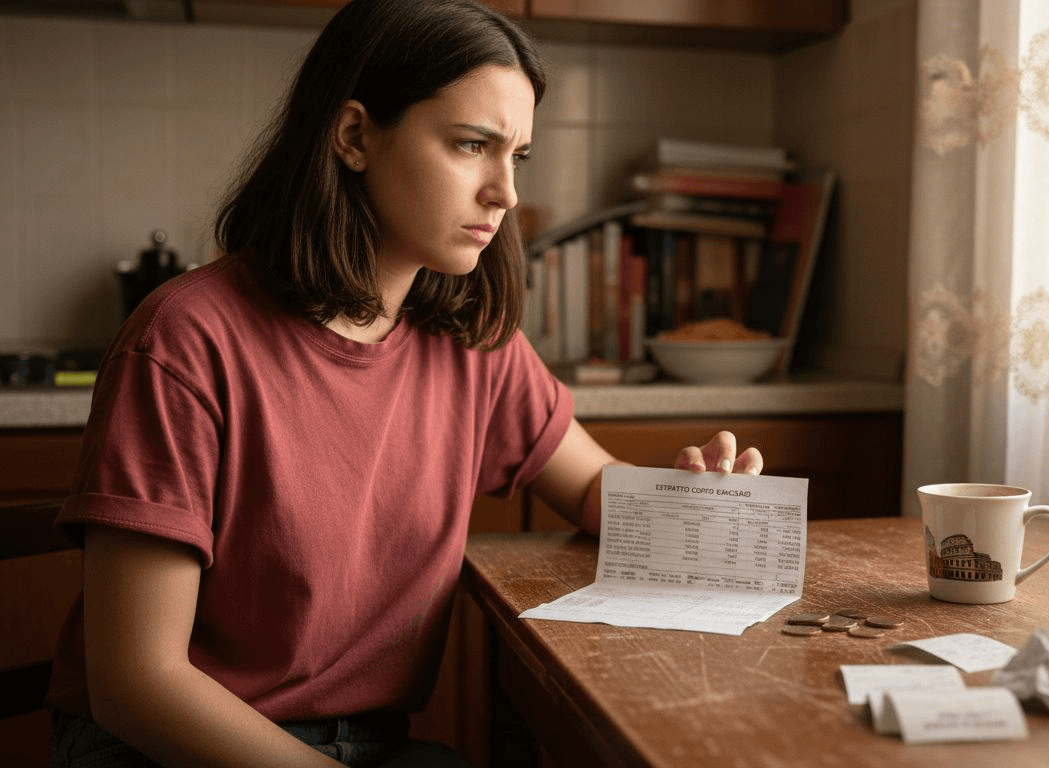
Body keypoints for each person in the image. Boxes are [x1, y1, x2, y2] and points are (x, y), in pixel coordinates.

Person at [45, 1, 764, 765]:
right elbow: (136, 684)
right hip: (173, 747)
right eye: (471, 145)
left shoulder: (470, 339)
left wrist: (695, 495)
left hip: (373, 744)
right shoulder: (188, 339)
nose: (505, 194)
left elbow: (594, 487)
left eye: (516, 156)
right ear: (355, 136)